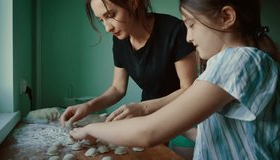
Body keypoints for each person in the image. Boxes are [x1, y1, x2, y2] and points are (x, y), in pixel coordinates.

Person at [69, 0, 280, 159]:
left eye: (191, 25)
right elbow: (229, 132)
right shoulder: (232, 62)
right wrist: (180, 126)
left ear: (226, 17)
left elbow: (148, 132)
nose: (188, 37)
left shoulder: (239, 60)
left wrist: (90, 129)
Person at [60, 0, 198, 141]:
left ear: (133, 3)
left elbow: (188, 89)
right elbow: (117, 88)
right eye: (101, 20)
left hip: (184, 117)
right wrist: (87, 107)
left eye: (110, 15)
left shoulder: (174, 30)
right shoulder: (120, 38)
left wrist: (143, 108)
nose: (107, 28)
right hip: (149, 117)